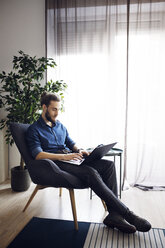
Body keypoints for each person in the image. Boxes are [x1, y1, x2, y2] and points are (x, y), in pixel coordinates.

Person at [26, 92, 151, 234]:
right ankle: (128, 214)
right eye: (54, 109)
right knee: (90, 172)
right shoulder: (34, 130)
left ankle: (114, 216)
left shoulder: (60, 126)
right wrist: (64, 157)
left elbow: (70, 142)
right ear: (44, 107)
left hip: (73, 159)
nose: (57, 113)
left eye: (58, 109)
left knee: (108, 165)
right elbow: (38, 155)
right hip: (57, 164)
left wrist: (81, 150)